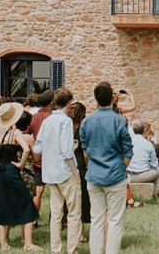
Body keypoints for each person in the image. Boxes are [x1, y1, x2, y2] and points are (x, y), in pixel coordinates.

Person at [80, 82, 133, 254]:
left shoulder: (86, 121)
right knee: (115, 220)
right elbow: (128, 151)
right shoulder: (119, 120)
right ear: (112, 97)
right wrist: (121, 167)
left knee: (97, 220)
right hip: (115, 174)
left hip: (94, 174)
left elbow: (85, 149)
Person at [0, 101, 40, 251]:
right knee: (27, 204)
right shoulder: (16, 133)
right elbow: (26, 149)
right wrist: (20, 164)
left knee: (0, 207)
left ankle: (3, 245)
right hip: (11, 171)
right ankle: (28, 243)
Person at [34, 88, 81, 254]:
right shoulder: (66, 121)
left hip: (50, 173)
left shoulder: (47, 121)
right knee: (74, 214)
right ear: (69, 102)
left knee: (56, 214)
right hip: (65, 171)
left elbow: (37, 147)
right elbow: (67, 151)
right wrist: (75, 172)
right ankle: (72, 250)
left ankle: (56, 250)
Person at [65, 102, 91, 241]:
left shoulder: (66, 126)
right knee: (80, 200)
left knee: (68, 199)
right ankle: (80, 233)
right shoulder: (82, 128)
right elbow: (86, 151)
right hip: (79, 164)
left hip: (66, 166)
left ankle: (69, 228)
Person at [29, 89, 54, 215]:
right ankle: (55, 218)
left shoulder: (33, 117)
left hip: (37, 157)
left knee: (38, 190)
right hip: (52, 158)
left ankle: (33, 219)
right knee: (55, 191)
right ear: (51, 102)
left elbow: (26, 134)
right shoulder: (53, 118)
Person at [127, 119, 159, 196]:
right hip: (142, 175)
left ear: (133, 130)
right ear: (144, 130)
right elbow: (154, 165)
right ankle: (156, 195)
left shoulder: (128, 142)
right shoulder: (148, 144)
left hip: (128, 175)